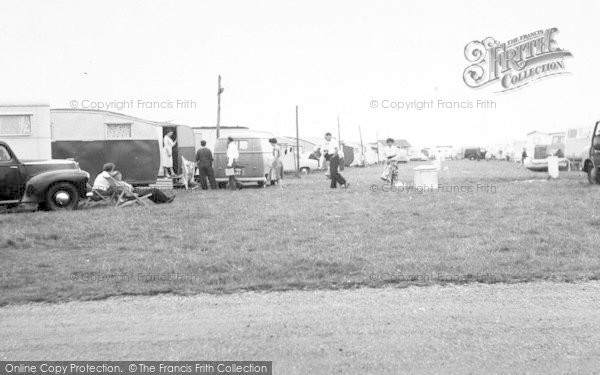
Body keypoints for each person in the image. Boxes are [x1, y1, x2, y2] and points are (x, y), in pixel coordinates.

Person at [93, 163, 175, 204]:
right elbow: (114, 186)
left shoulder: (101, 174)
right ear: (111, 169)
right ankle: (166, 200)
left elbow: (115, 187)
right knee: (153, 190)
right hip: (130, 192)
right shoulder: (106, 175)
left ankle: (162, 201)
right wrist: (125, 193)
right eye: (113, 170)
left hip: (101, 191)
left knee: (151, 191)